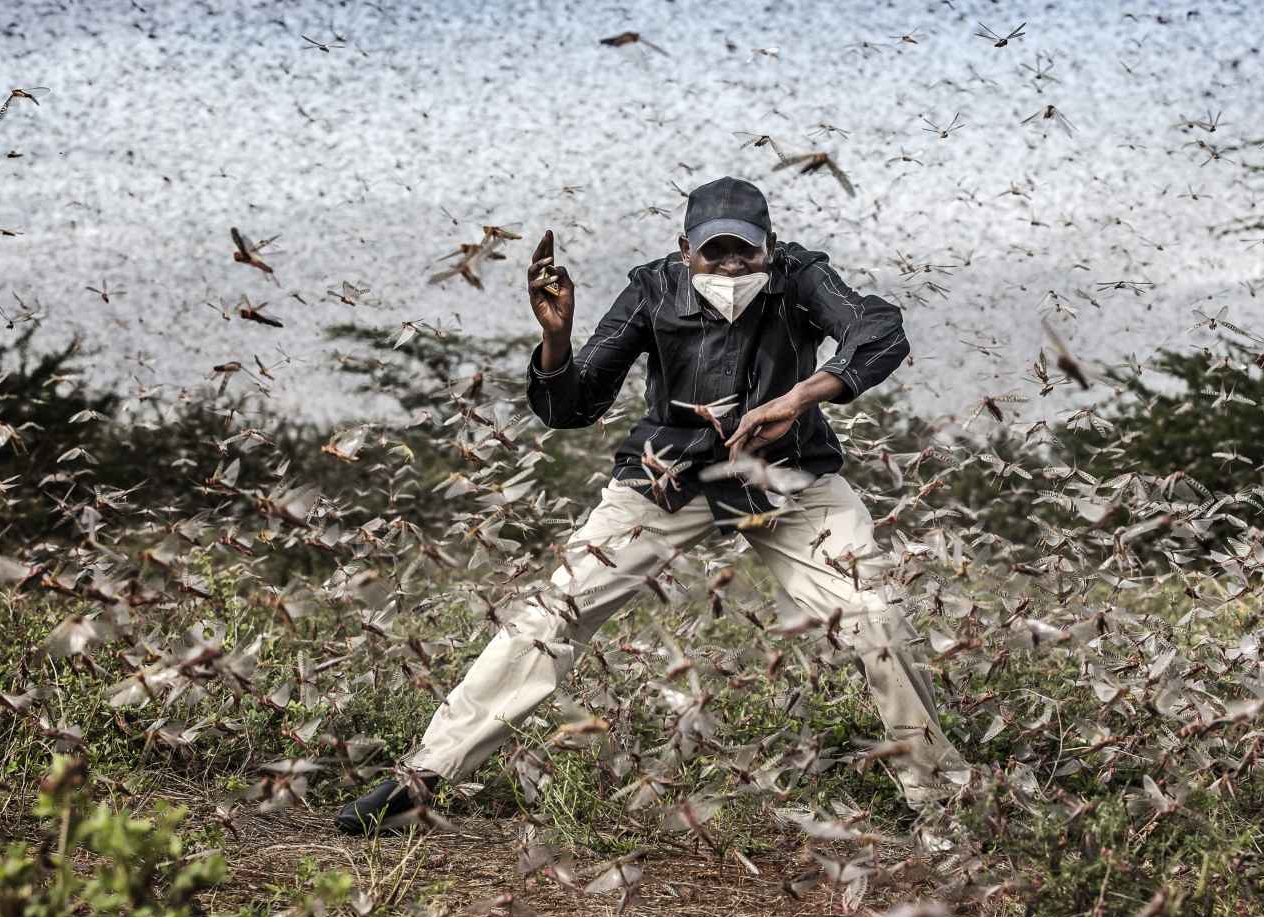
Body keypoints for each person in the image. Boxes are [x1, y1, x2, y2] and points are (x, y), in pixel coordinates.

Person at [337, 176, 970, 835]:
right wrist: (556, 340)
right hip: (668, 474)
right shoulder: (651, 288)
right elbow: (573, 406)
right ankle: (423, 778)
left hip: (790, 473)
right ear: (684, 249)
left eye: (744, 253)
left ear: (771, 248)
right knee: (554, 612)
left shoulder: (802, 277)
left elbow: (879, 329)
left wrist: (798, 398)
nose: (729, 267)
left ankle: (942, 806)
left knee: (874, 615)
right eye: (713, 253)